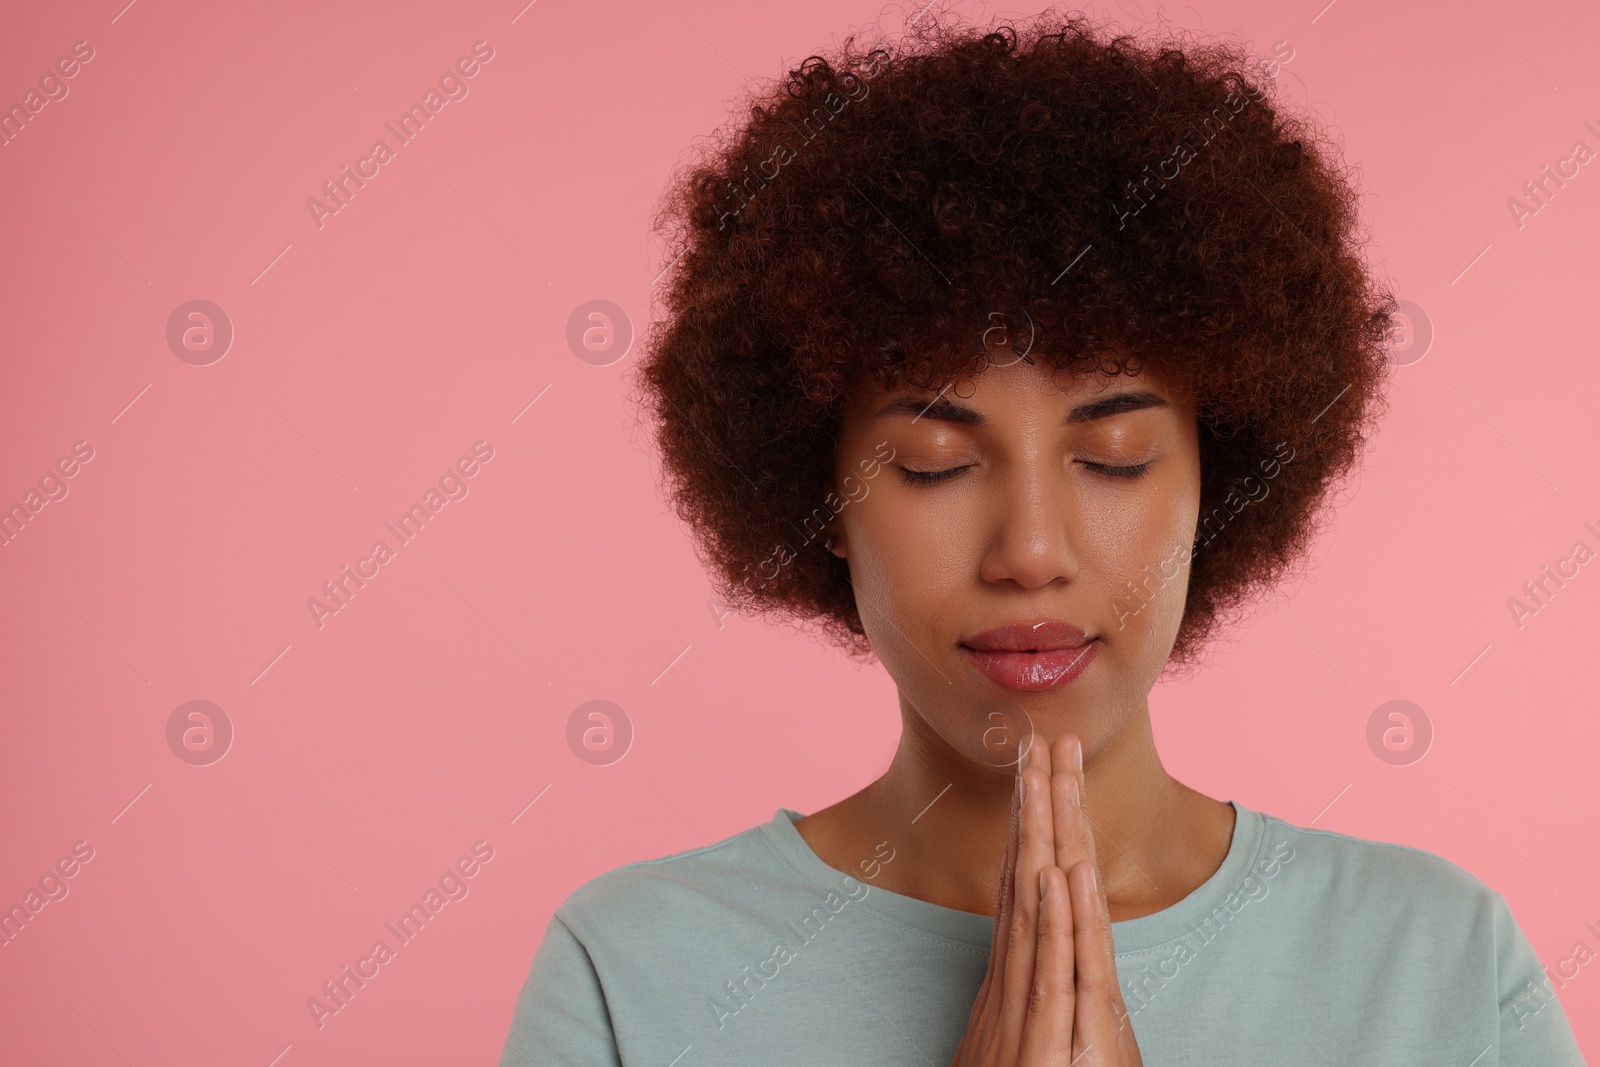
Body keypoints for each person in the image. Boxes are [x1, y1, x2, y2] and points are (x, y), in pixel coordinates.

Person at [499, 7, 1588, 1064]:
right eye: (933, 462)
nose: (1029, 549)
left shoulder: (1435, 961)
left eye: (1112, 454)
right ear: (819, 497)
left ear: (1224, 478)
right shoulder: (633, 974)